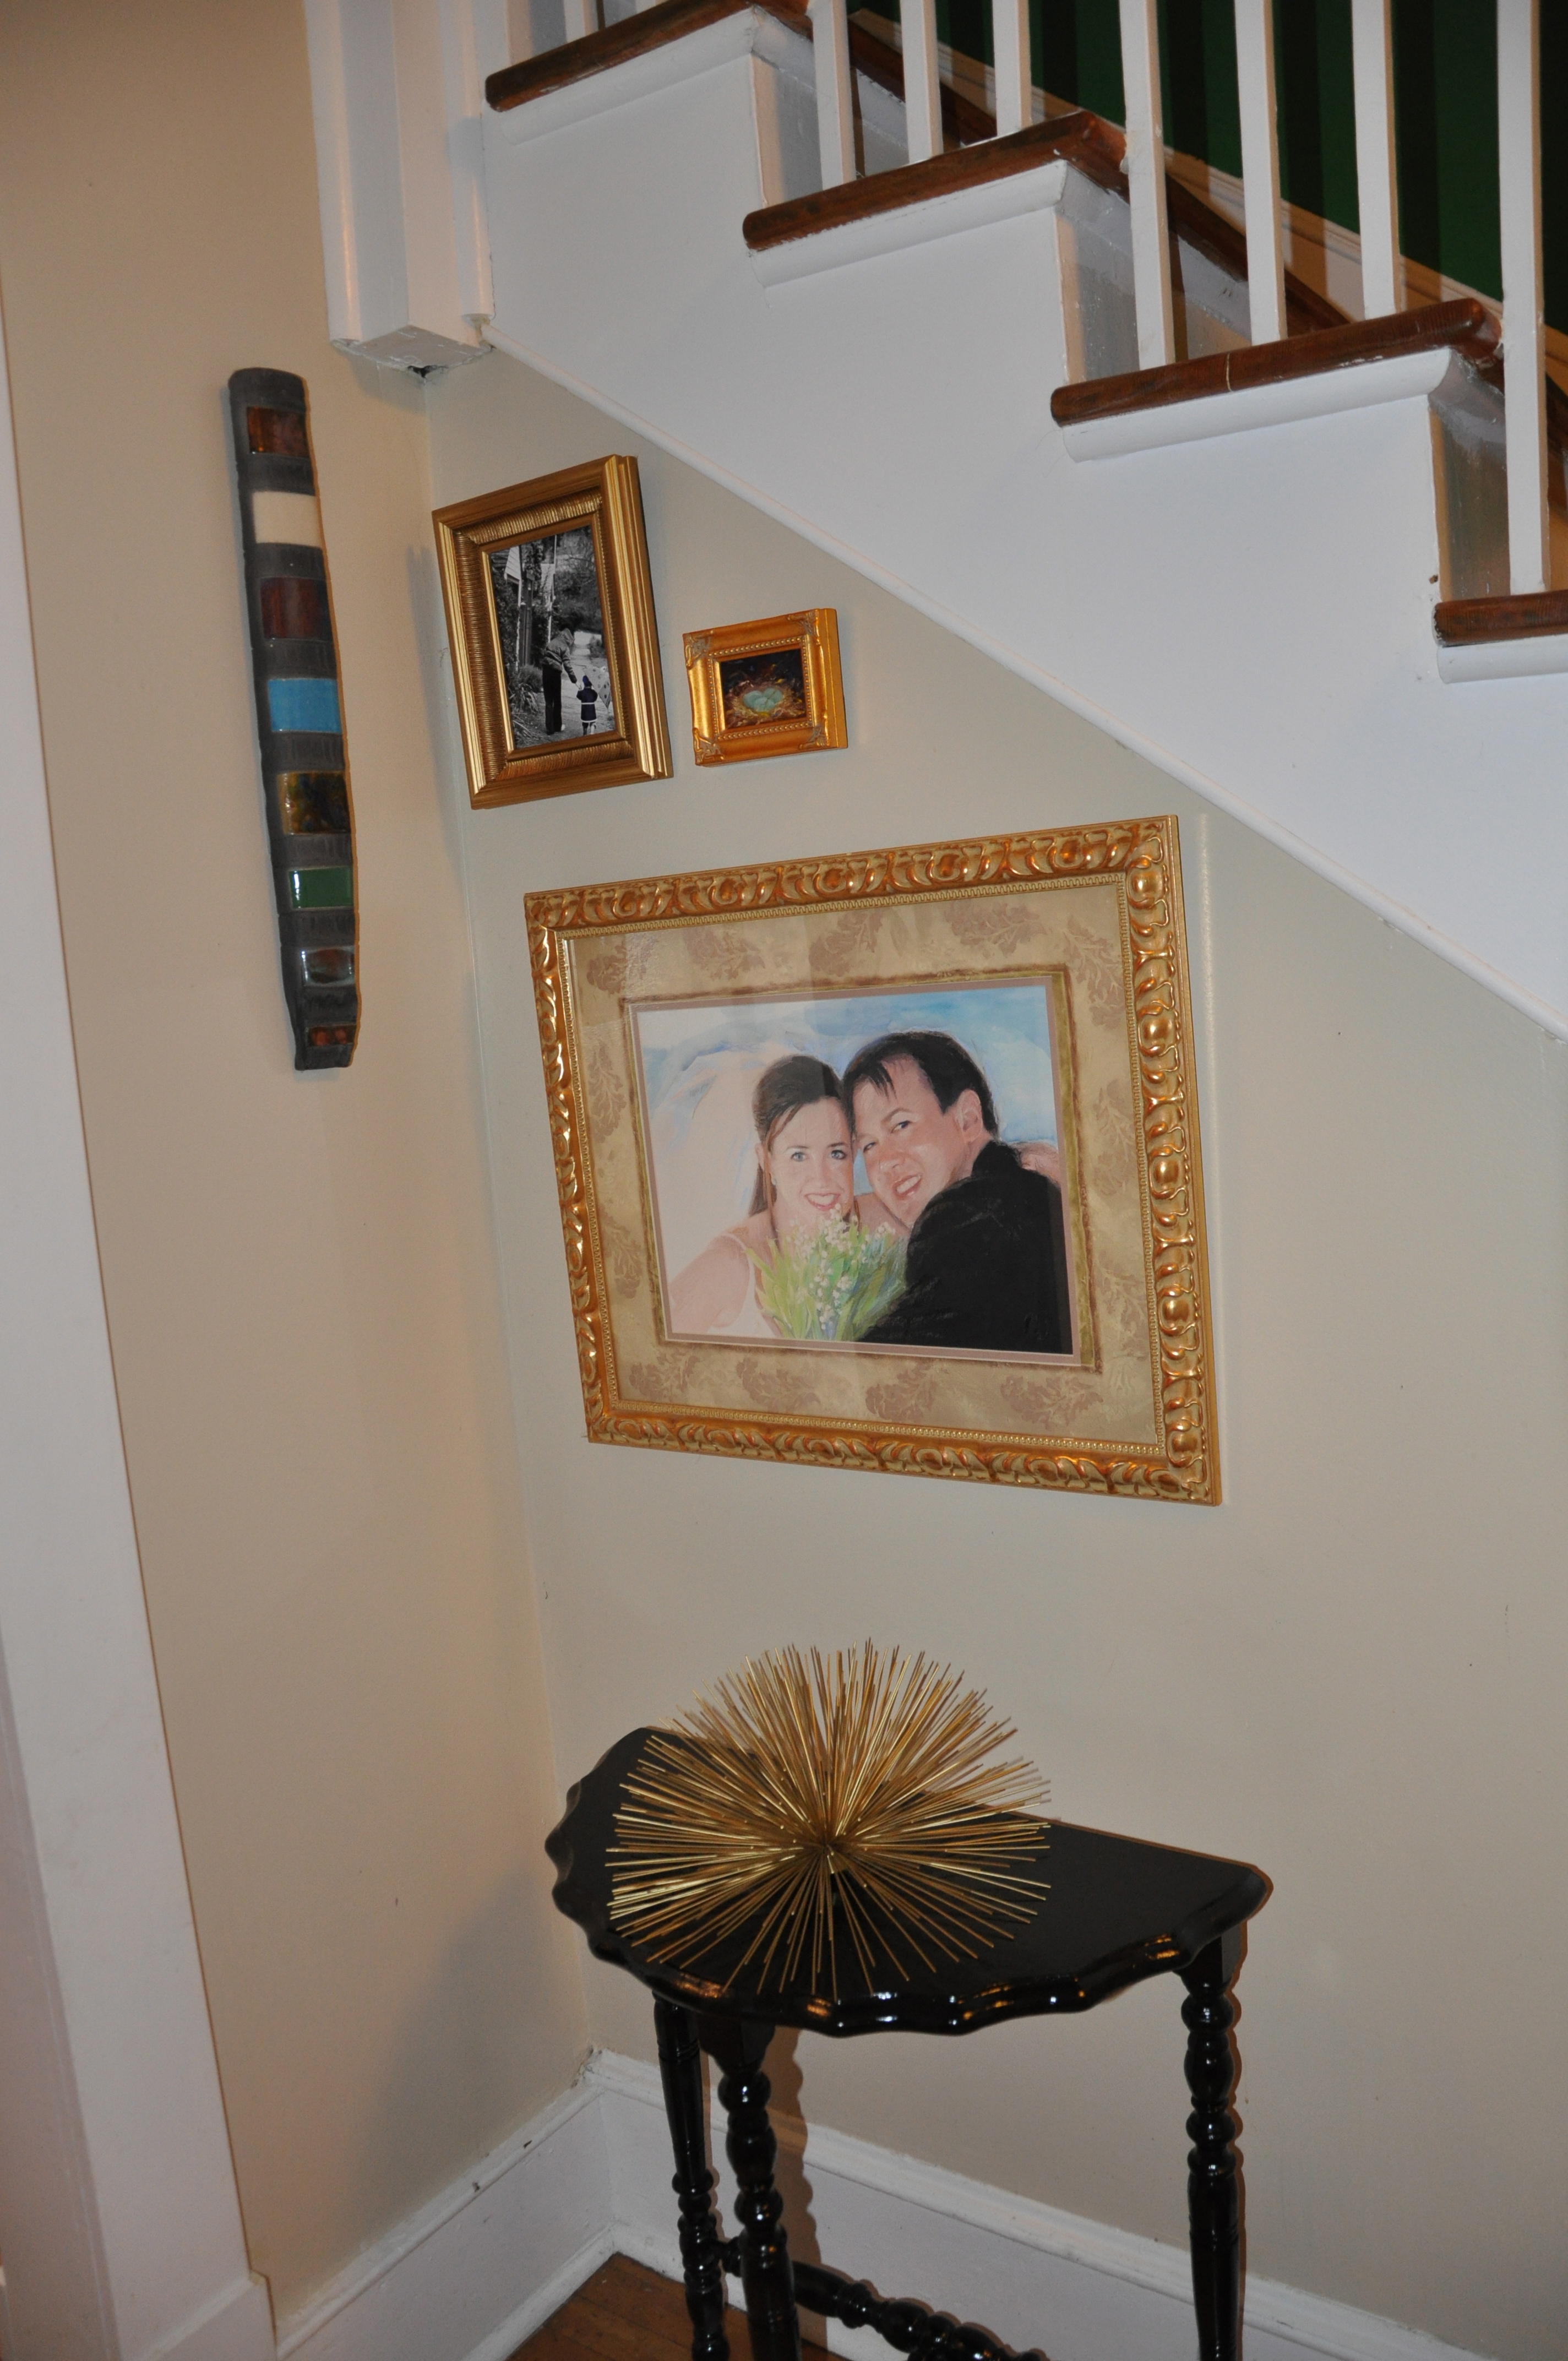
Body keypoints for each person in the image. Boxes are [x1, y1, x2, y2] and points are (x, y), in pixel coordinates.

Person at [844, 1031, 1071, 1355]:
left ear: (968, 1118)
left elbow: (885, 1365)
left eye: (901, 1125)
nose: (884, 1162)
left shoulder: (970, 1219)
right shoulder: (1030, 1195)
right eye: (869, 1146)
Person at [668, 1056, 902, 1337]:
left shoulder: (885, 1224)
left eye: (836, 1153)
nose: (821, 1178)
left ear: (854, 1152)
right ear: (766, 1161)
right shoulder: (729, 1264)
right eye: (799, 1156)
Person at [540, 632, 577, 735]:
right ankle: (557, 726)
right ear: (568, 640)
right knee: (557, 701)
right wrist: (574, 680)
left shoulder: (552, 642)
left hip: (546, 671)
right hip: (555, 673)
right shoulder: (565, 647)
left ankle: (549, 729)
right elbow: (567, 665)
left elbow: (545, 654)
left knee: (548, 701)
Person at [576, 667, 599, 734]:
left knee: (585, 723)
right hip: (592, 710)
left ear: (584, 683)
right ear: (592, 684)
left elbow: (578, 696)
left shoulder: (582, 692)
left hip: (584, 711)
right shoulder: (593, 692)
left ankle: (585, 731)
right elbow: (595, 698)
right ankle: (592, 731)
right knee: (593, 721)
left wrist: (579, 690)